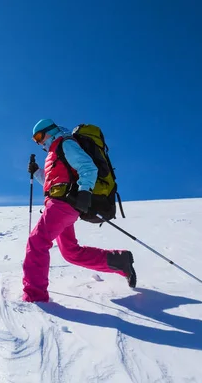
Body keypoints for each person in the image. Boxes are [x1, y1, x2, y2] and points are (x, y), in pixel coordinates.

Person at [22, 118, 136, 303]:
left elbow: (88, 168)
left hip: (63, 204)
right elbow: (55, 183)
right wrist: (37, 173)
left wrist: (85, 191)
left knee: (37, 241)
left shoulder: (65, 143)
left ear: (50, 130)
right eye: (35, 140)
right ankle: (119, 261)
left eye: (40, 136)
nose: (39, 142)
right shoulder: (53, 153)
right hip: (59, 202)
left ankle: (35, 297)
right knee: (70, 252)